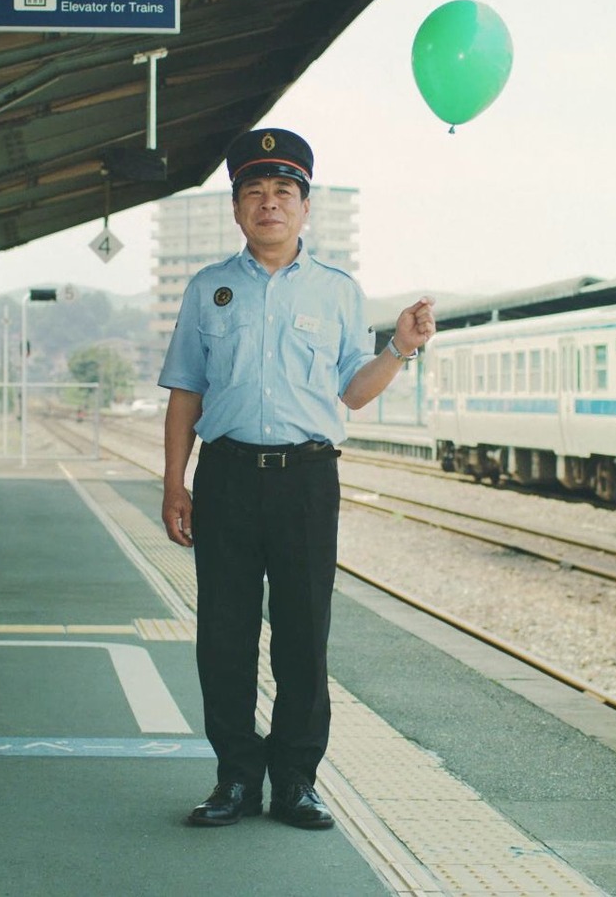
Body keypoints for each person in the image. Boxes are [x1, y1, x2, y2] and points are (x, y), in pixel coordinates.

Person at [157, 128, 436, 829]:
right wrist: (174, 483)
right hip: (225, 474)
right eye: (254, 191)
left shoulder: (339, 292)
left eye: (283, 191)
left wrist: (400, 348)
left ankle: (297, 781)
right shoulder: (208, 289)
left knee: (302, 635)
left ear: (305, 208)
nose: (269, 203)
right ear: (236, 208)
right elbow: (185, 393)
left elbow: (352, 392)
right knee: (222, 633)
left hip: (306, 480)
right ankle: (234, 780)